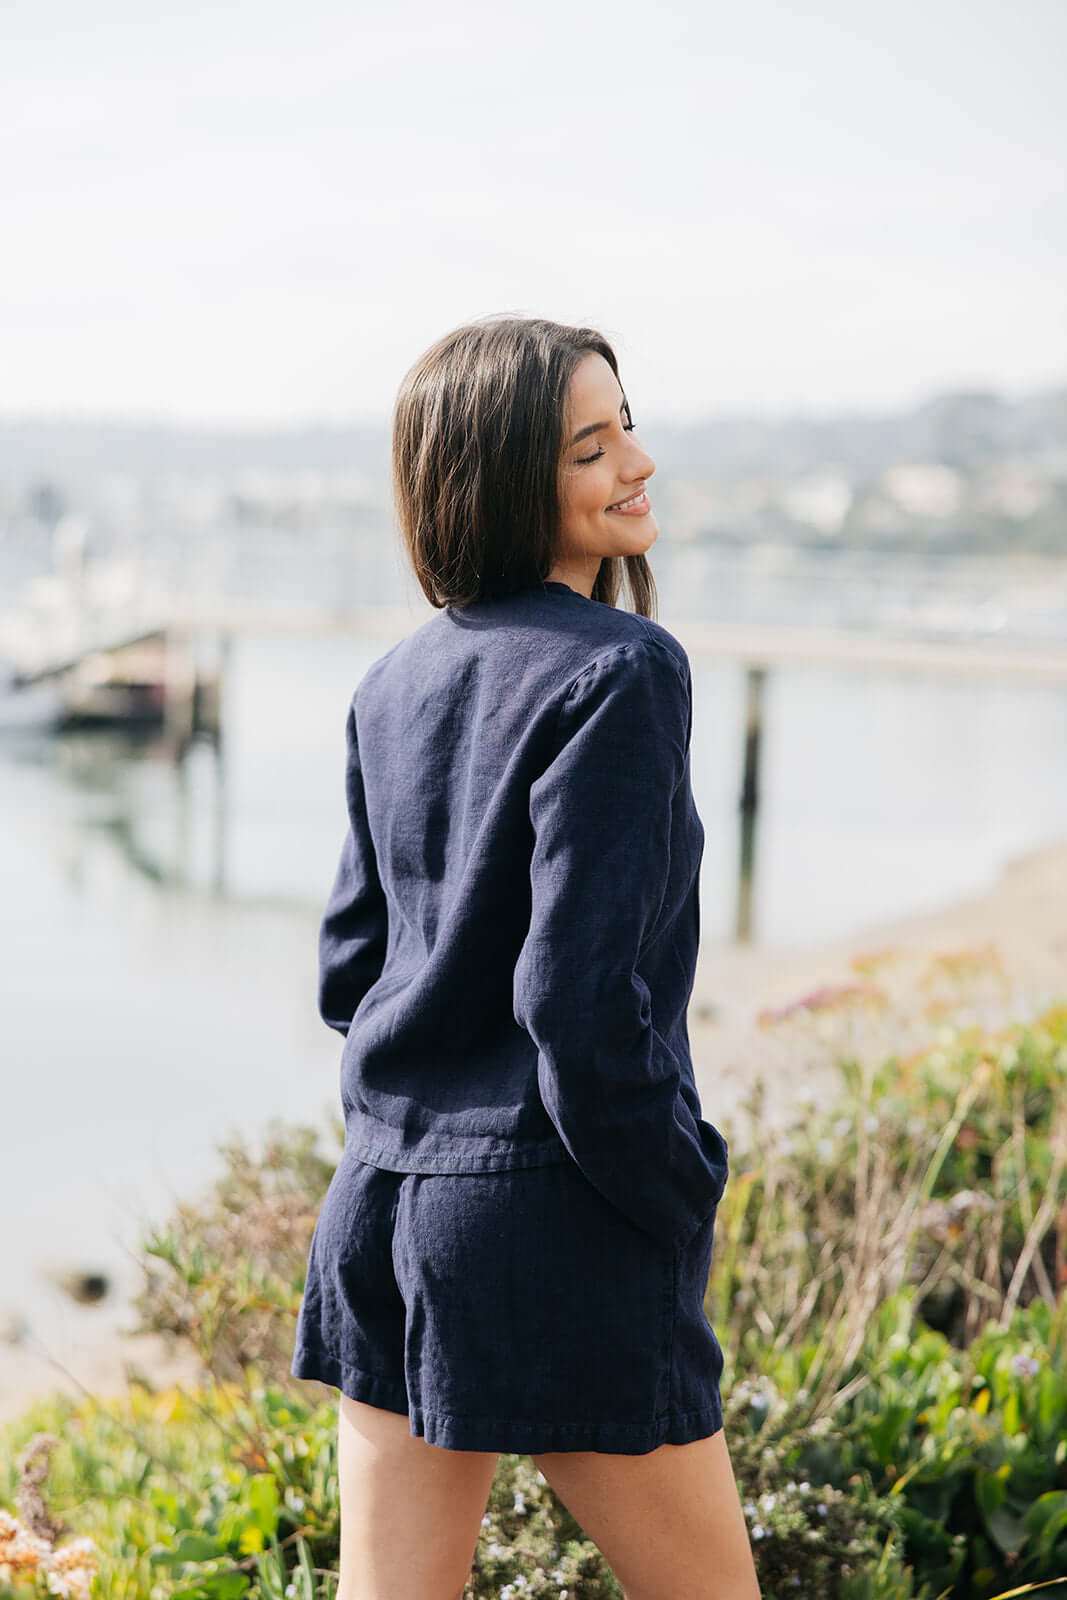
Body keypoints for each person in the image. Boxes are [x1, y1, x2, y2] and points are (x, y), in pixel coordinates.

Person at [290, 315, 761, 1600]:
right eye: (589, 449)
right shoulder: (622, 672)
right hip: (546, 1206)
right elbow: (575, 999)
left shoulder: (392, 681)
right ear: (506, 481)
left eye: (626, 429)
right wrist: (677, 1181)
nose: (636, 463)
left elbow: (349, 972)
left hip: (379, 1204)